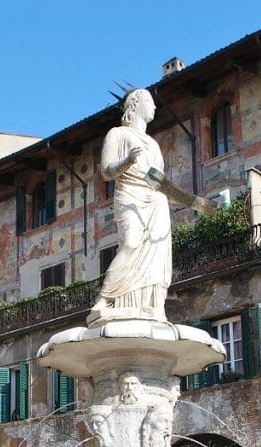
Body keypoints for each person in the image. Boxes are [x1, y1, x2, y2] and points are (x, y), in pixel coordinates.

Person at [90, 88, 172, 323]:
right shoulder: (117, 134)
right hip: (129, 194)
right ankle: (105, 299)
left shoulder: (154, 145)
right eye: (150, 102)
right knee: (131, 244)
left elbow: (158, 182)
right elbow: (106, 172)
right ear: (135, 105)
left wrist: (191, 201)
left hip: (155, 200)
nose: (155, 107)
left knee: (155, 253)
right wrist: (127, 161)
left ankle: (151, 304)